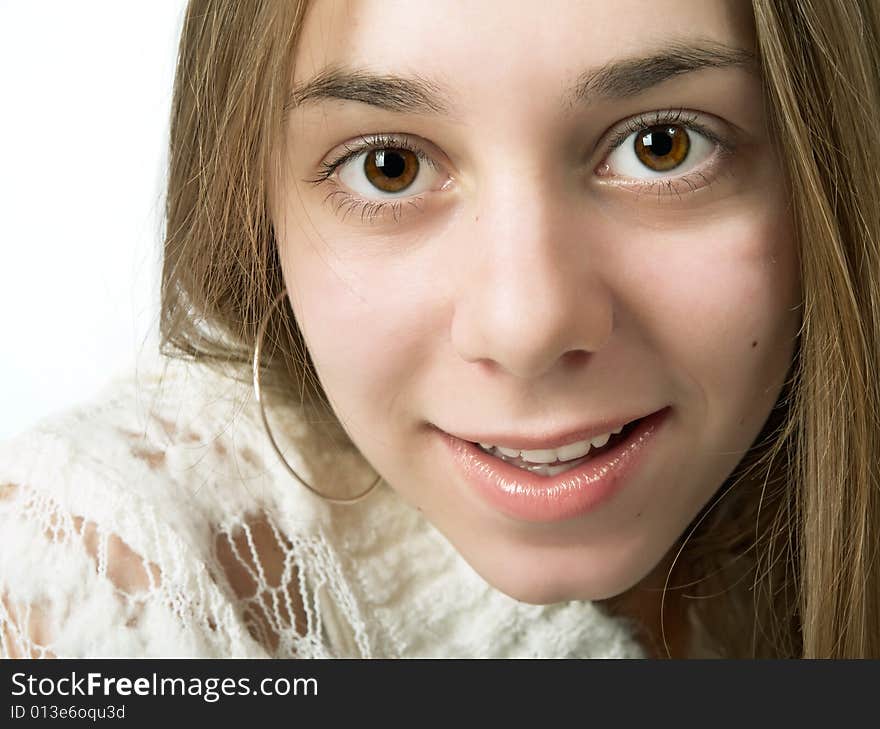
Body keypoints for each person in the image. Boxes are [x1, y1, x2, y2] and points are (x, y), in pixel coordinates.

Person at [2, 0, 879, 659]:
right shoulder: (93, 586)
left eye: (662, 145)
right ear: (250, 201)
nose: (526, 325)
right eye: (392, 166)